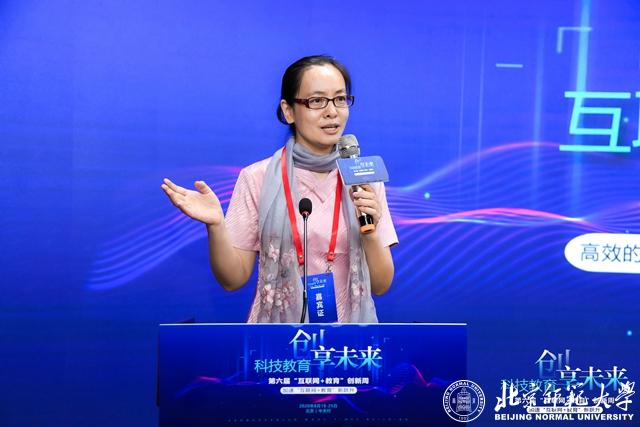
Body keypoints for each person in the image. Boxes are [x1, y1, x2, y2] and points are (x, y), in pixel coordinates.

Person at [161, 55, 397, 323]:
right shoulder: (257, 178)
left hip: (347, 341)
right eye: (317, 101)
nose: (332, 111)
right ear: (288, 110)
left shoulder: (364, 179)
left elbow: (381, 285)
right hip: (277, 339)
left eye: (340, 99)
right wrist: (216, 225)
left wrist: (370, 233)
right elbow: (232, 279)